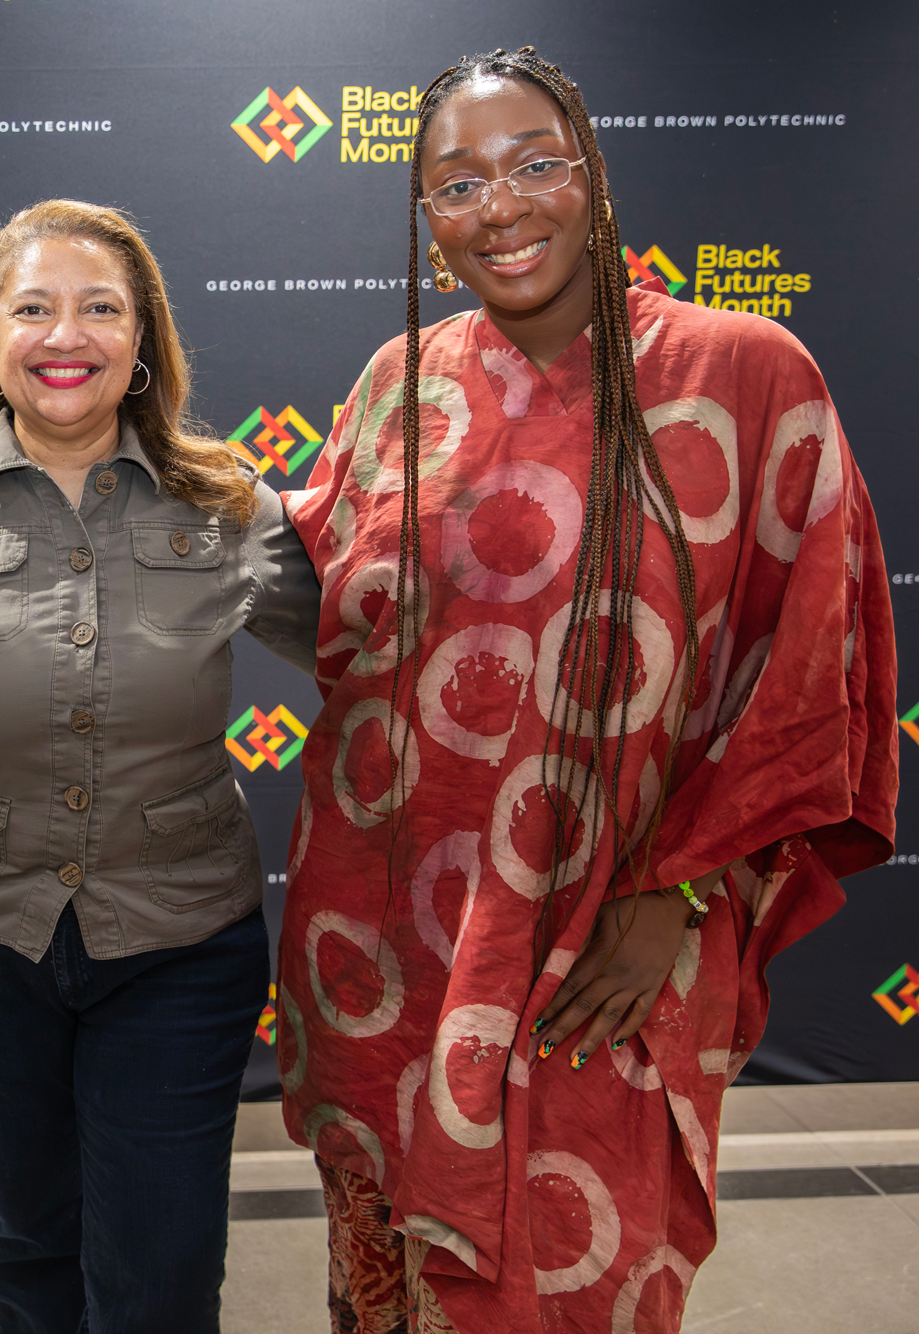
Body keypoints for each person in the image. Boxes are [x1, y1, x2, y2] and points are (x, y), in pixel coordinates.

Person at [278, 47, 896, 1333]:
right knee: (389, 1280)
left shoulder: (742, 371)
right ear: (426, 218)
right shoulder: (399, 380)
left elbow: (810, 666)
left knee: (571, 1268)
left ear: (594, 178)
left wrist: (677, 890)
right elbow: (321, 587)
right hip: (388, 930)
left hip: (610, 935)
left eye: (533, 164)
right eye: (456, 183)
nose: (498, 206)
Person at [0, 199, 321, 1332]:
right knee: (23, 1245)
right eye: (33, 309)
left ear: (141, 338)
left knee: (160, 1273)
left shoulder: (228, 506)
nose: (66, 335)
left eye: (100, 308)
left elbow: (372, 646)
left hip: (179, 936)